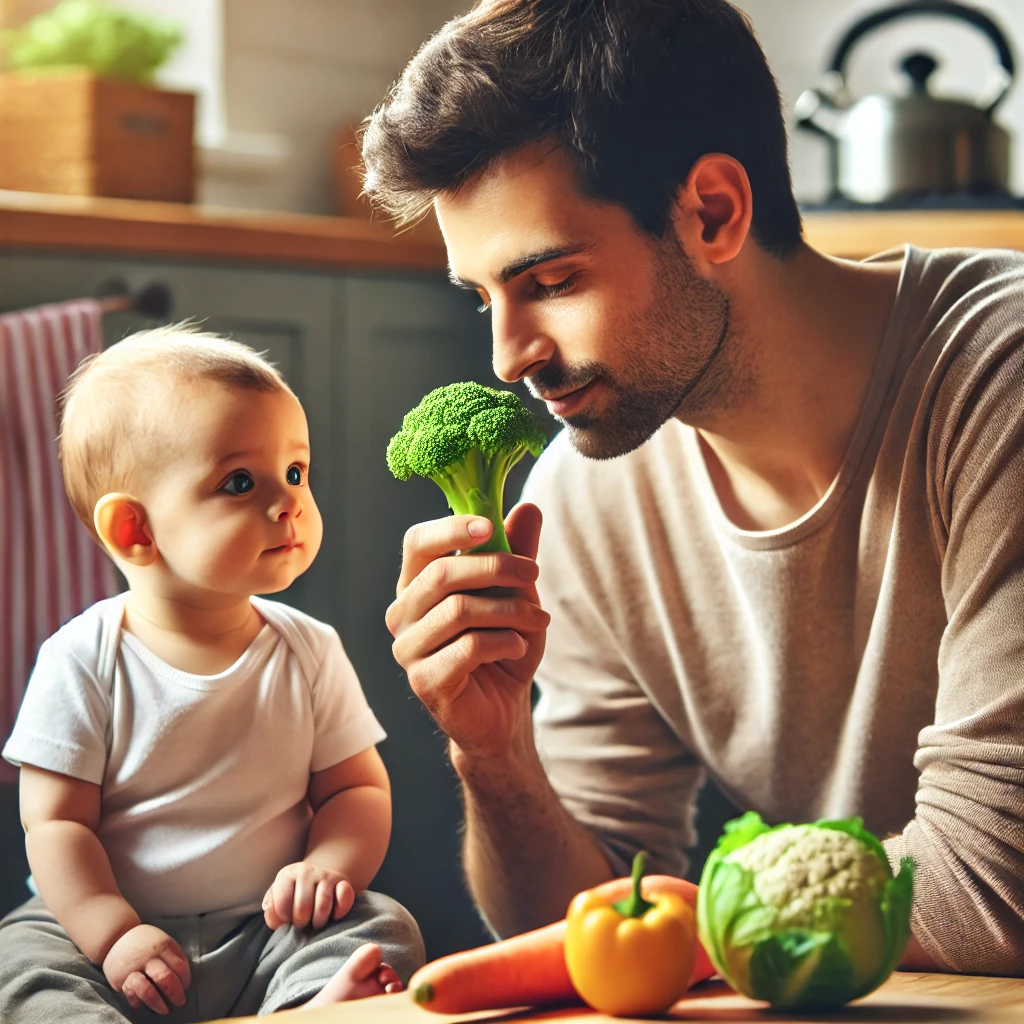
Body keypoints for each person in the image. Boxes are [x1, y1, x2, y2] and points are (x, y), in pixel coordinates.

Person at [362, 0, 1024, 977]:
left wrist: (680, 925)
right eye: (483, 297)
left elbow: (988, 891)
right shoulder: (587, 489)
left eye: (549, 280)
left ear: (711, 211)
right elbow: (586, 927)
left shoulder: (997, 386)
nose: (507, 357)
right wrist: (494, 760)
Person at [0, 327, 424, 1022]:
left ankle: (308, 1009)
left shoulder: (308, 650)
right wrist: (112, 934)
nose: (288, 501)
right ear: (135, 530)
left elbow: (356, 788)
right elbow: (55, 826)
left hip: (267, 934)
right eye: (239, 482)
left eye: (295, 472)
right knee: (19, 966)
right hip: (113, 945)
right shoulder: (82, 658)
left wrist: (330, 868)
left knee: (382, 927)